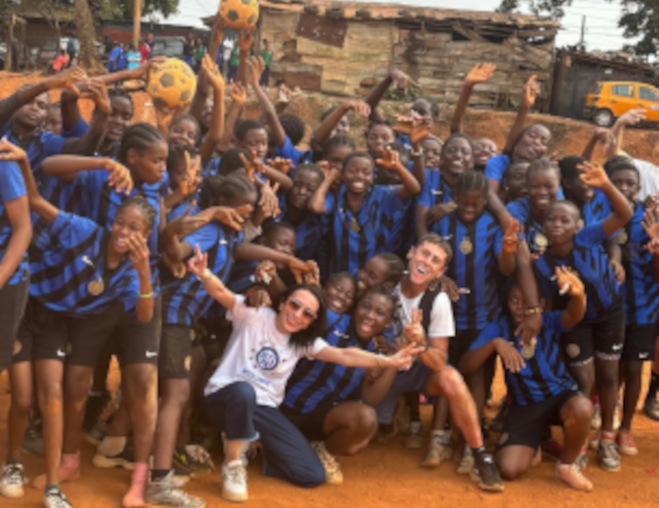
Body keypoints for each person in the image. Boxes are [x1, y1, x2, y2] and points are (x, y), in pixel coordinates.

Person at [191, 249, 420, 502]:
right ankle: (234, 465)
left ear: (312, 321)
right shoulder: (254, 314)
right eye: (294, 305)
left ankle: (260, 448)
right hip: (225, 399)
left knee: (312, 475)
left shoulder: (303, 343)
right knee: (244, 391)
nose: (297, 315)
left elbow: (345, 355)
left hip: (264, 409)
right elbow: (221, 293)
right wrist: (204, 274)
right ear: (282, 303)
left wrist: (388, 361)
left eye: (307, 314)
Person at [369, 233, 504, 492]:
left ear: (441, 272)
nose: (426, 262)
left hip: (417, 371)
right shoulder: (387, 285)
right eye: (424, 254)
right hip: (382, 369)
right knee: (363, 433)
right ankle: (388, 414)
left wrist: (421, 344)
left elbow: (440, 361)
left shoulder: (438, 300)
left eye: (435, 260)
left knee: (451, 378)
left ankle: (480, 455)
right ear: (411, 253)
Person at [460, 255, 594, 491]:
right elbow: (466, 366)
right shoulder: (499, 327)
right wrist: (495, 344)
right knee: (508, 469)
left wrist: (579, 295)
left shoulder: (548, 321)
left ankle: (567, 465)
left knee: (582, 407)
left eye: (526, 301)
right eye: (514, 300)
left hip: (560, 397)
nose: (519, 307)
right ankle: (534, 446)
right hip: (525, 406)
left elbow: (573, 316)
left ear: (540, 303)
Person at [533, 161, 633, 472]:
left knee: (608, 376)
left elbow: (625, 214)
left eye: (565, 220)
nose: (557, 225)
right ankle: (577, 443)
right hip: (576, 320)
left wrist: (606, 185)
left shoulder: (588, 237)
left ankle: (607, 436)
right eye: (551, 219)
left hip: (609, 314)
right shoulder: (543, 264)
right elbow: (548, 303)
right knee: (582, 380)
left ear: (577, 226)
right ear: (543, 225)